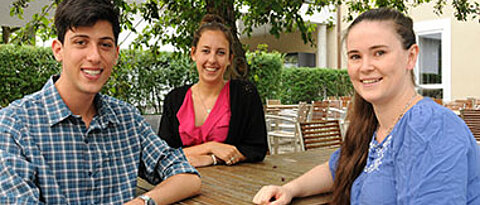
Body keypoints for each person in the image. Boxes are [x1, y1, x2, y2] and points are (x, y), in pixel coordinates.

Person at [253, 8, 480, 205]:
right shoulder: (373, 126)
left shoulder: (429, 127)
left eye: (379, 53)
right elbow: (337, 168)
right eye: (355, 56)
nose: (365, 67)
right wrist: (289, 189)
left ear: (411, 57)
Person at [0, 0, 201, 204]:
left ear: (116, 54)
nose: (95, 56)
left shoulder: (126, 119)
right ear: (58, 50)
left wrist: (142, 202)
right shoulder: (15, 125)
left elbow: (187, 176)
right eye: (81, 42)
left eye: (105, 44)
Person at [158, 14, 268, 167]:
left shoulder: (245, 94)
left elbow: (257, 148)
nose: (212, 60)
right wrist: (210, 147)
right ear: (193, 54)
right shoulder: (175, 99)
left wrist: (212, 159)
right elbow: (162, 153)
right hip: (181, 182)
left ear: (230, 59)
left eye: (221, 52)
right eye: (206, 51)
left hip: (236, 184)